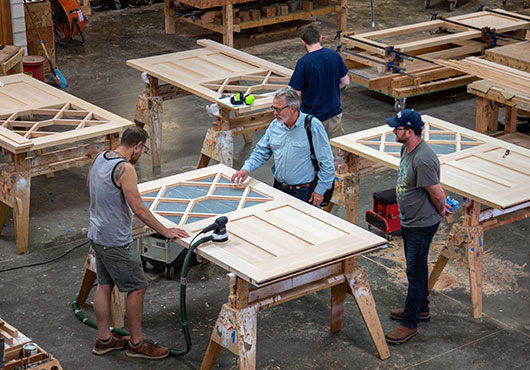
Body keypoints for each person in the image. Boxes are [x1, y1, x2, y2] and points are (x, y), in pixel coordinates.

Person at [88, 126, 189, 359]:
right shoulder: (125, 168)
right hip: (115, 240)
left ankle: (104, 340)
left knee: (104, 285)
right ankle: (136, 343)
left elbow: (90, 187)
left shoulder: (101, 157)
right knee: (137, 287)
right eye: (142, 151)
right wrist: (165, 230)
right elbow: (138, 207)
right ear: (139, 146)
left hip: (97, 233)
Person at [384, 109, 452, 344]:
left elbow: (435, 191)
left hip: (421, 224)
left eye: (398, 128)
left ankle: (410, 323)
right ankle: (421, 308)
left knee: (414, 272)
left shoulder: (424, 159)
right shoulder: (407, 148)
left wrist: (442, 207)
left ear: (410, 131)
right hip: (409, 220)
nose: (394, 130)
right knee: (418, 267)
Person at [231, 87, 334, 206]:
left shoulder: (312, 126)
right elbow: (261, 152)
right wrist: (246, 168)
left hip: (304, 193)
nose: (274, 113)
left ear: (292, 108)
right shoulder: (275, 126)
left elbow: (327, 162)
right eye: (273, 108)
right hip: (279, 188)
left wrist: (320, 191)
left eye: (278, 109)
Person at [288, 24, 350, 164]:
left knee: (312, 155)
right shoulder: (334, 55)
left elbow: (295, 92)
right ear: (320, 38)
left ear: (303, 42)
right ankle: (332, 184)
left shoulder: (304, 63)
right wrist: (333, 87)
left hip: (312, 117)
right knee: (332, 155)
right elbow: (346, 82)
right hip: (333, 114)